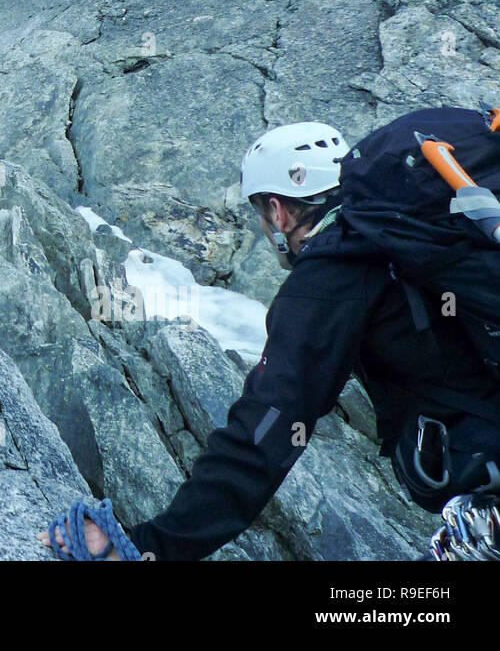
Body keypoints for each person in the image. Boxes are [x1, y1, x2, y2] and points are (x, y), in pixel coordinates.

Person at [44, 110, 500, 561]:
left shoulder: (330, 275)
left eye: (261, 213)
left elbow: (265, 430)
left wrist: (148, 545)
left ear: (278, 212)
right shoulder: (420, 224)